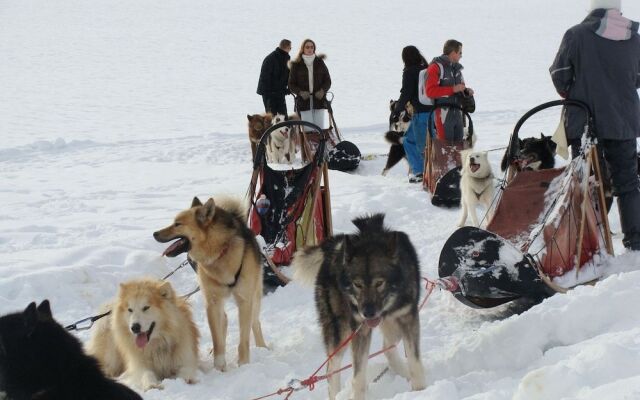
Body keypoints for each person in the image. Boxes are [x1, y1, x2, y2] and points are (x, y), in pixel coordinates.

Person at [549, 0, 640, 251]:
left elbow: (559, 74)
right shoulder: (634, 38)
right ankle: (636, 241)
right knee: (628, 183)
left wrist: (576, 92)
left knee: (587, 183)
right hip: (624, 122)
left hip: (586, 121)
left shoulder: (576, 34)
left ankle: (589, 245)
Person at [391, 46, 433, 183]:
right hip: (433, 111)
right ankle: (424, 170)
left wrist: (397, 110)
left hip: (421, 113)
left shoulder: (409, 72)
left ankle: (421, 172)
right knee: (421, 141)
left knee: (415, 144)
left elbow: (406, 93)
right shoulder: (426, 69)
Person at [426, 39, 474, 142]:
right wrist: (452, 89)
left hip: (458, 113)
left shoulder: (457, 69)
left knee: (458, 150)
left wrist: (466, 91)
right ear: (453, 53)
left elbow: (461, 87)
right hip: (443, 114)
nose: (461, 55)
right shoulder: (435, 67)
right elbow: (430, 91)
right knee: (445, 151)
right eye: (460, 52)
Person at [288, 39, 331, 128]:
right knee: (307, 129)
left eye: (312, 47)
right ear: (302, 49)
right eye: (307, 47)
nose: (310, 49)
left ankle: (320, 142)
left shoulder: (320, 62)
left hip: (319, 100)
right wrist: (300, 92)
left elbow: (328, 81)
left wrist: (322, 91)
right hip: (304, 102)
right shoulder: (296, 65)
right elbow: (291, 84)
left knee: (320, 129)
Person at [257, 39, 292, 115]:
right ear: (288, 48)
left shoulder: (285, 58)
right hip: (269, 93)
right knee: (272, 117)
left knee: (282, 116)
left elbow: (287, 75)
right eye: (290, 48)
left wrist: (288, 88)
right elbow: (265, 78)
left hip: (278, 92)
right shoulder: (271, 58)